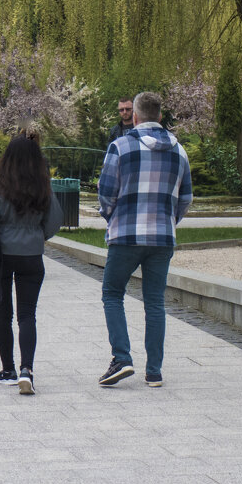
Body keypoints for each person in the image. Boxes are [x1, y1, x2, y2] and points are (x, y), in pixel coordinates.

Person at [96, 91, 193, 389]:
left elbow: (106, 193)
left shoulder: (120, 146)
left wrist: (111, 217)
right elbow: (186, 197)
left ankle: (122, 357)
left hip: (126, 234)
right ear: (160, 116)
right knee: (154, 302)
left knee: (113, 293)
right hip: (162, 237)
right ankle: (154, 371)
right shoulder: (179, 150)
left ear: (135, 116)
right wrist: (168, 221)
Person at [0, 133, 63, 396]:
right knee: (27, 314)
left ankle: (7, 369)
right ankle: (27, 370)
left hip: (0, 254)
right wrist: (36, 235)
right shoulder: (43, 187)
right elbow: (54, 221)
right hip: (31, 255)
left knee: (3, 312)